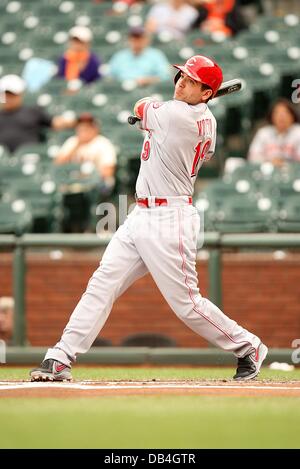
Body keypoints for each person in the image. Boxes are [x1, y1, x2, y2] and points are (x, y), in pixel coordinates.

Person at [30, 55, 268, 382]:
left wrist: (149, 112)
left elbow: (141, 105)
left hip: (170, 218)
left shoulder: (175, 115)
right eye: (181, 76)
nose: (181, 82)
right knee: (103, 282)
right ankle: (61, 356)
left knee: (187, 304)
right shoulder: (204, 120)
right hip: (141, 213)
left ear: (206, 93)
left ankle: (247, 346)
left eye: (192, 81)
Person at [0, 75, 75, 153]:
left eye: (12, 95)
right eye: (6, 95)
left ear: (20, 95)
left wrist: (76, 121)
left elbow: (56, 123)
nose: (8, 98)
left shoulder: (32, 112)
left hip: (30, 157)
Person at [55, 112, 117, 189]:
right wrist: (76, 146)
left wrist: (88, 176)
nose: (82, 131)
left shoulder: (103, 143)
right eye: (80, 128)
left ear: (95, 129)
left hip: (97, 185)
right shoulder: (72, 141)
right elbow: (57, 165)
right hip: (74, 183)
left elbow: (108, 172)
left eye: (87, 128)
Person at [248, 98, 300, 165]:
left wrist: (284, 162)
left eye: (285, 112)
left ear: (292, 116)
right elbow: (252, 158)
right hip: (268, 172)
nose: (281, 116)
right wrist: (269, 162)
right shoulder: (263, 133)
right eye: (277, 113)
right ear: (271, 116)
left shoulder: (298, 132)